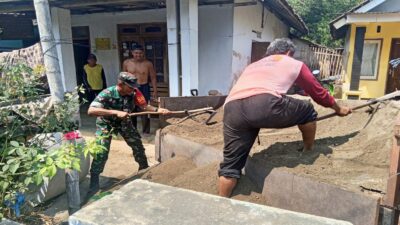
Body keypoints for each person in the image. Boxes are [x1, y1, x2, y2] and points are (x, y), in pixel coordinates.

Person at [218, 38, 352, 198]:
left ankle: (221, 202)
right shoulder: (293, 63)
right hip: (264, 105)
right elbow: (318, 93)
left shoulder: (252, 66)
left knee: (230, 166)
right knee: (308, 110)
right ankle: (308, 149)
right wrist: (338, 109)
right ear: (288, 52)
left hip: (232, 108)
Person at [87, 72, 169, 195]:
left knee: (137, 145)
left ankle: (144, 170)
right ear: (121, 84)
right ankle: (93, 185)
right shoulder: (107, 93)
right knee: (101, 151)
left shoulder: (134, 92)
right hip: (106, 123)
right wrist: (115, 112)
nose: (133, 89)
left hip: (124, 122)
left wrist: (158, 110)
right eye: (130, 86)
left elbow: (144, 106)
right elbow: (91, 110)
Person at [122, 45, 157, 134]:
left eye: (140, 53)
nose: (138, 55)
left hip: (144, 87)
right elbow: (123, 77)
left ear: (143, 53)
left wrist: (155, 90)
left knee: (144, 109)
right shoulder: (126, 63)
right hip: (131, 88)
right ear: (132, 53)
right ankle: (133, 130)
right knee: (131, 109)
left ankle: (146, 131)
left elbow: (153, 77)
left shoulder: (148, 64)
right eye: (136, 53)